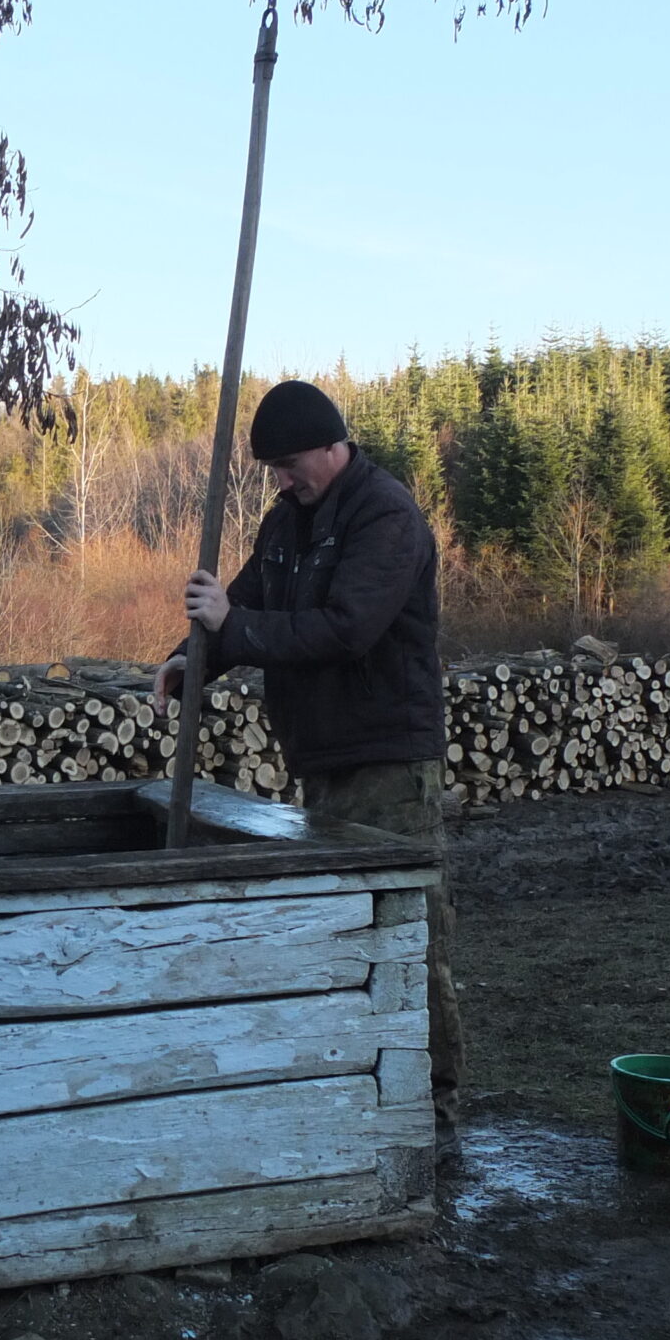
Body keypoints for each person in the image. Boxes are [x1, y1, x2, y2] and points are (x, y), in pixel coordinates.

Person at [152, 379, 460, 1158]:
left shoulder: (385, 516)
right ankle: (363, 1087)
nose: (283, 480)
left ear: (333, 444)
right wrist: (190, 660)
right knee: (347, 934)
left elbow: (345, 629)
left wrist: (232, 625)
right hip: (321, 758)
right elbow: (242, 606)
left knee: (407, 935)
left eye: (290, 464)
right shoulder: (286, 524)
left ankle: (435, 1109)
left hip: (387, 759)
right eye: (273, 470)